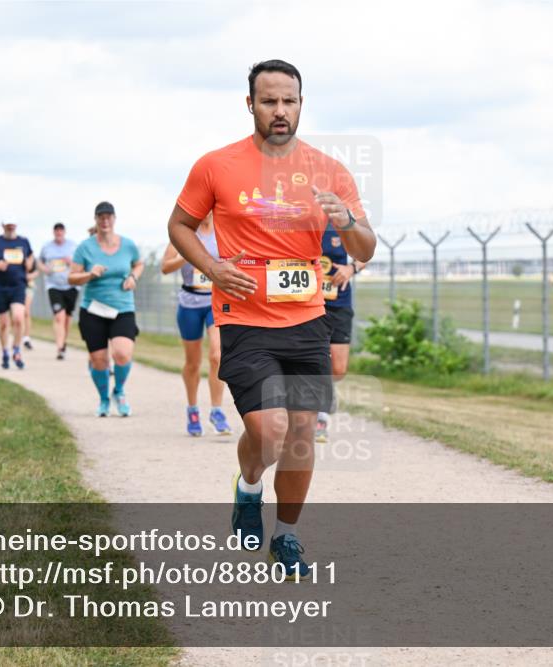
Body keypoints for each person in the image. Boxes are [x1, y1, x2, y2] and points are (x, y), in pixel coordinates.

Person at [167, 60, 376, 577]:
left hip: (307, 319)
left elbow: (365, 247)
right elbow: (180, 225)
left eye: (289, 101)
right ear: (250, 105)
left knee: (301, 432)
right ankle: (249, 487)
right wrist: (212, 266)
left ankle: (285, 536)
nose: (280, 111)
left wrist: (348, 220)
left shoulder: (330, 171)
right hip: (244, 319)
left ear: (302, 104)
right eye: (269, 101)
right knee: (269, 430)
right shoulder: (216, 165)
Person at [160, 212, 234, 437]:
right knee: (193, 363)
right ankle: (192, 409)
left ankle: (217, 410)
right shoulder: (184, 232)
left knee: (217, 356)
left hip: (215, 300)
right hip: (189, 303)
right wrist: (187, 254)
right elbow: (165, 267)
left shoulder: (223, 232)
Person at [69, 201, 144, 417]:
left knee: (122, 353)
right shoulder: (85, 247)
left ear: (114, 219)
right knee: (99, 360)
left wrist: (133, 277)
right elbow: (72, 278)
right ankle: (103, 399)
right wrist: (89, 274)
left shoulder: (128, 245)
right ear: (95, 220)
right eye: (100, 217)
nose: (105, 221)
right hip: (93, 310)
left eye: (108, 217)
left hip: (122, 308)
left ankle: (119, 391)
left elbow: (139, 264)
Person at [314, 223, 367, 442]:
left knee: (338, 368)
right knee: (316, 360)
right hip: (309, 303)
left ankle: (329, 389)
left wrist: (351, 268)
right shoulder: (302, 220)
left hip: (339, 303)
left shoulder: (343, 222)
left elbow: (366, 252)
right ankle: (321, 417)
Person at [0, 218, 34, 369]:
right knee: (3, 323)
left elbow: (31, 256)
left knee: (18, 317)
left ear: (16, 225)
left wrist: (29, 263)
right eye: (8, 224)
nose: (11, 227)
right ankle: (5, 351)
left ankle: (16, 350)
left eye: (13, 224)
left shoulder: (24, 241)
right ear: (3, 225)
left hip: (18, 285)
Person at [39, 222, 78, 360]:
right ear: (54, 232)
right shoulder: (47, 247)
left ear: (64, 232)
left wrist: (70, 262)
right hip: (53, 285)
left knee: (67, 318)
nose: (59, 233)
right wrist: (45, 269)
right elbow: (40, 262)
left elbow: (80, 264)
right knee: (59, 316)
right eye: (56, 231)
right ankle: (60, 348)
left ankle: (64, 341)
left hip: (71, 285)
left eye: (61, 230)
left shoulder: (73, 246)